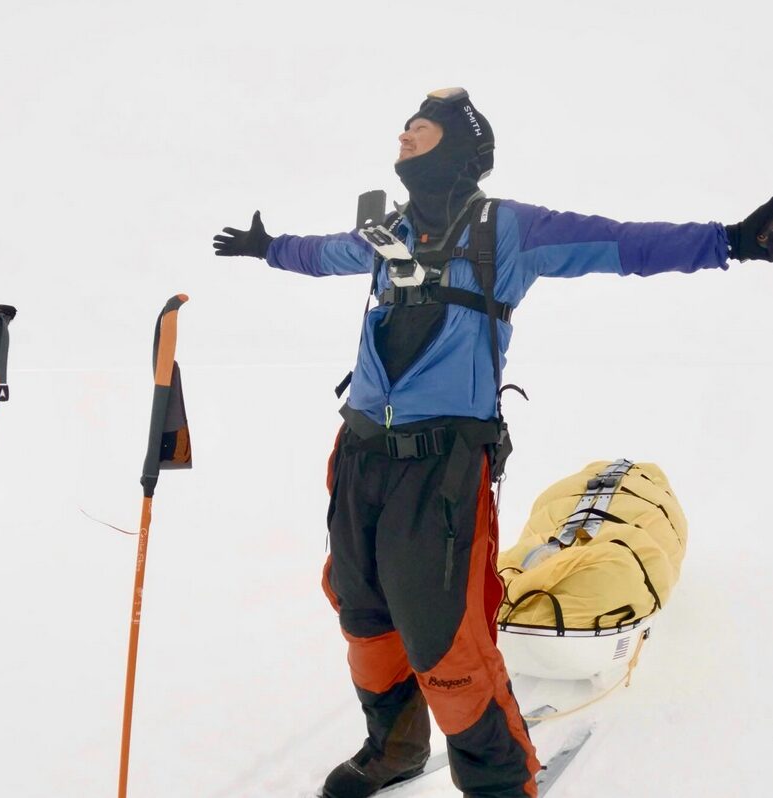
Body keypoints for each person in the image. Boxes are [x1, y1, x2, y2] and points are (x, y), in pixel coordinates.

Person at [213, 87, 773, 798]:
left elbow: (620, 243)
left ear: (456, 144)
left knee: (445, 633)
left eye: (418, 128)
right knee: (361, 608)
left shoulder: (506, 229)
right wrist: (269, 249)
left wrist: (728, 241)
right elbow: (325, 254)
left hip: (440, 467)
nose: (403, 135)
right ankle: (392, 748)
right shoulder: (389, 232)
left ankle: (500, 783)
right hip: (358, 455)